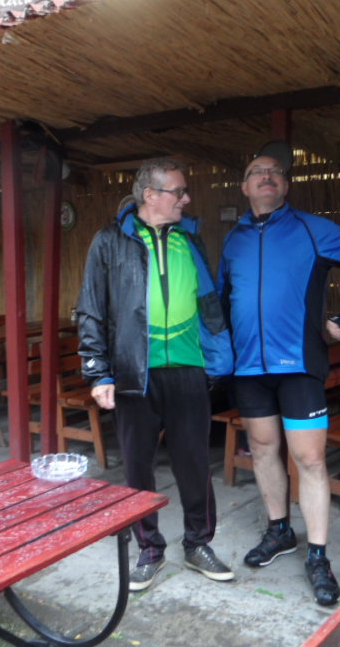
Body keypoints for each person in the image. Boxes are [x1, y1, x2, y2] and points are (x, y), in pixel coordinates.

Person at [218, 154, 340, 607]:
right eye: (256, 172)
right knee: (263, 450)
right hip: (249, 368)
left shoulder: (312, 229)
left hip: (298, 364)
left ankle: (317, 555)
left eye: (274, 172)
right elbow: (220, 300)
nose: (266, 177)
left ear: (286, 185)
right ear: (244, 187)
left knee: (310, 460)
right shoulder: (233, 240)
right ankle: (279, 531)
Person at [77, 158, 235, 592]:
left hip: (188, 368)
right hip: (134, 371)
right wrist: (98, 372)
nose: (186, 198)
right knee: (138, 468)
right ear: (151, 195)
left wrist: (218, 357)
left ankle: (198, 543)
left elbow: (209, 302)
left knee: (194, 463)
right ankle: (149, 549)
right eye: (178, 191)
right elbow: (91, 308)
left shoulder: (190, 238)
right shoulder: (110, 241)